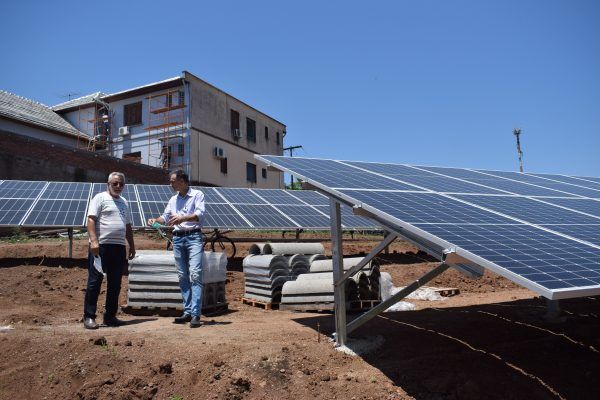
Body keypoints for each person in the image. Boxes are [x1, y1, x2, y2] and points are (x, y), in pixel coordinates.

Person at [147, 170, 205, 328]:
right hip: (178, 238)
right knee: (182, 276)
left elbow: (200, 214)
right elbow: (165, 217)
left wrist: (183, 218)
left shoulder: (197, 194)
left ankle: (195, 314)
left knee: (195, 274)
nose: (170, 184)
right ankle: (187, 312)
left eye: (173, 181)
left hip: (194, 237)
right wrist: (155, 220)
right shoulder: (173, 199)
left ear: (182, 181)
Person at [84, 172, 136, 329]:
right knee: (95, 282)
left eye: (121, 184)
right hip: (101, 247)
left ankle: (110, 316)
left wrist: (131, 246)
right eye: (115, 183)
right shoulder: (99, 198)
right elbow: (91, 219)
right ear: (108, 184)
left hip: (118, 248)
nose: (118, 186)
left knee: (115, 284)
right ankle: (89, 317)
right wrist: (94, 241)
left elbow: (127, 226)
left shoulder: (124, 202)